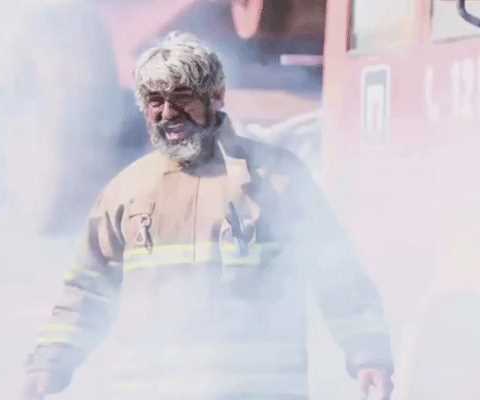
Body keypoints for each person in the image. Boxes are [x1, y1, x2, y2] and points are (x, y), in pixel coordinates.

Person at [22, 32, 393, 400]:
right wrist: (49, 364)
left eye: (182, 97)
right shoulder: (126, 192)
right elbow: (88, 287)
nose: (168, 113)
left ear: (216, 97)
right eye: (155, 101)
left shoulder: (277, 178)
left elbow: (335, 271)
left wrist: (368, 354)